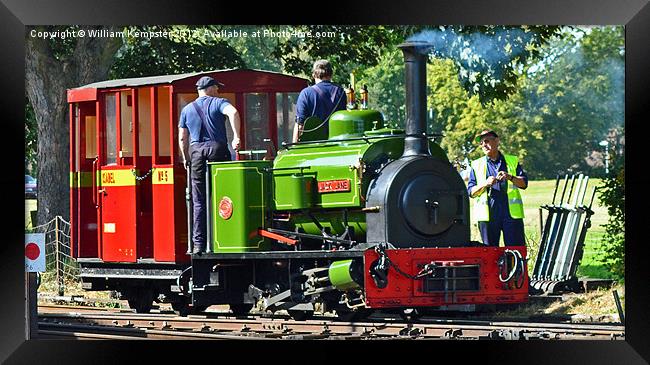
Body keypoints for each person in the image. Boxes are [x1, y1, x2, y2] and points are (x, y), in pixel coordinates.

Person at [178, 76, 241, 254]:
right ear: (211, 88)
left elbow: (183, 137)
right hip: (217, 149)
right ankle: (224, 237)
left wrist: (185, 157)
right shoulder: (219, 102)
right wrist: (236, 136)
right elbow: (234, 113)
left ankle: (198, 244)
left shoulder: (187, 109)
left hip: (196, 151)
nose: (219, 91)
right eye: (217, 88)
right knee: (224, 195)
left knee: (198, 200)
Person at [467, 130, 528, 246]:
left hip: (511, 214)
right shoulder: (476, 164)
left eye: (486, 141)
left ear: (497, 141)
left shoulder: (512, 161)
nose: (483, 145)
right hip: (487, 216)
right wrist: (485, 184)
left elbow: (524, 183)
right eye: (481, 143)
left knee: (515, 251)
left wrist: (509, 176)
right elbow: (471, 192)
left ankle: (514, 265)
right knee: (490, 253)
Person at [292, 59, 346, 143]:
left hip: (313, 145)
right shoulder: (341, 92)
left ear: (314, 74)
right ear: (331, 74)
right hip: (336, 143)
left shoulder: (306, 93)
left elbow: (300, 125)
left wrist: (294, 148)